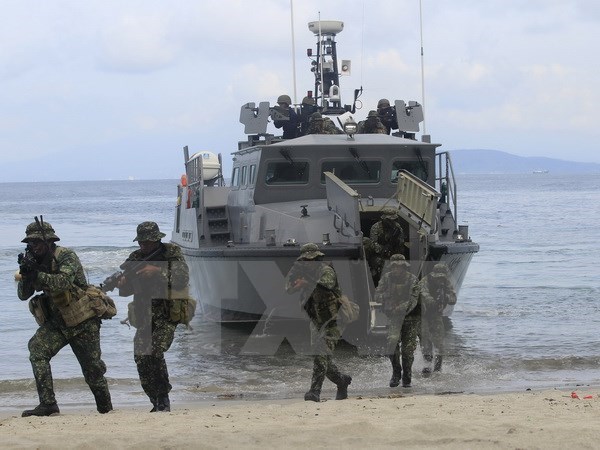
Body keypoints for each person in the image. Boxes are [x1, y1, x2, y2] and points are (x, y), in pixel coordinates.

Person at [17, 220, 112, 416]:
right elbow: (23, 295)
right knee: (37, 350)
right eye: (30, 243)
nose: (33, 246)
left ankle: (106, 411)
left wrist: (38, 274)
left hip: (82, 321)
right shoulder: (32, 261)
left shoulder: (66, 256)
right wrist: (27, 274)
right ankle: (48, 404)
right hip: (58, 323)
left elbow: (62, 282)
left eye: (37, 242)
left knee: (93, 372)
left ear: (49, 241)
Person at [117, 221, 190, 412]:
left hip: (166, 314)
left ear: (157, 240)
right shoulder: (135, 258)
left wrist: (157, 271)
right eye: (141, 242)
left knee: (156, 352)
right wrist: (124, 283)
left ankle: (164, 398)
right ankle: (154, 400)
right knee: (141, 358)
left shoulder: (171, 253)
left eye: (147, 242)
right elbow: (126, 291)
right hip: (144, 317)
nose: (143, 246)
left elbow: (182, 278)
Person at [285, 243, 352, 402]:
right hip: (316, 321)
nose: (310, 262)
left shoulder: (326, 270)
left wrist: (306, 282)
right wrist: (294, 273)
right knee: (322, 358)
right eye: (306, 260)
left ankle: (314, 392)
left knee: (321, 354)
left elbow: (326, 284)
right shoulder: (300, 271)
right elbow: (288, 288)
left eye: (313, 259)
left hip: (334, 320)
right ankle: (342, 381)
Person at [375, 254, 420, 388]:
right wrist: (388, 296)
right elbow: (377, 295)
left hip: (411, 319)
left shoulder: (412, 280)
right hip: (394, 318)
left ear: (404, 267)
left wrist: (399, 308)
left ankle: (407, 374)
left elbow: (413, 301)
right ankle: (396, 372)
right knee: (391, 343)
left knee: (408, 350)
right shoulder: (386, 278)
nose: (397, 269)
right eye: (394, 266)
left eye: (400, 266)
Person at [419, 263, 457, 374]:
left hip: (436, 314)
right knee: (425, 339)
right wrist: (433, 301)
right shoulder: (425, 281)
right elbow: (424, 294)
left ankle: (438, 367)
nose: (439, 280)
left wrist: (446, 297)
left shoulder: (446, 283)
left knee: (439, 341)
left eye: (442, 277)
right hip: (423, 313)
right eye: (438, 277)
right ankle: (427, 364)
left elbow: (453, 299)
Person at [368, 207, 405, 285]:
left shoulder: (397, 227)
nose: (391, 221)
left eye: (393, 219)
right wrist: (383, 249)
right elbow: (373, 243)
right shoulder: (376, 227)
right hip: (379, 254)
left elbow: (401, 241)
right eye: (389, 220)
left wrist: (395, 244)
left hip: (394, 253)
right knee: (379, 270)